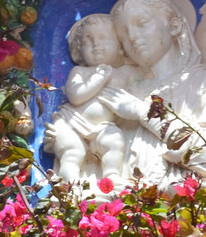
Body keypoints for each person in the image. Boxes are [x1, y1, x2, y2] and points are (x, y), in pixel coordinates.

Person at [98, 0, 206, 189]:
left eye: (142, 24)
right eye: (123, 34)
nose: (132, 37)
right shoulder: (124, 92)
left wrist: (144, 113)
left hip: (192, 213)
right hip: (126, 210)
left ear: (174, 26)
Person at [44, 14, 137, 188]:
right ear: (78, 50)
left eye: (104, 38)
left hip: (102, 128)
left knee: (115, 141)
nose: (96, 46)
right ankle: (69, 183)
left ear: (120, 46)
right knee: (73, 152)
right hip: (72, 123)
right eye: (88, 41)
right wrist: (99, 79)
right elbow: (76, 96)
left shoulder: (125, 74)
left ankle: (112, 175)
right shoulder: (80, 72)